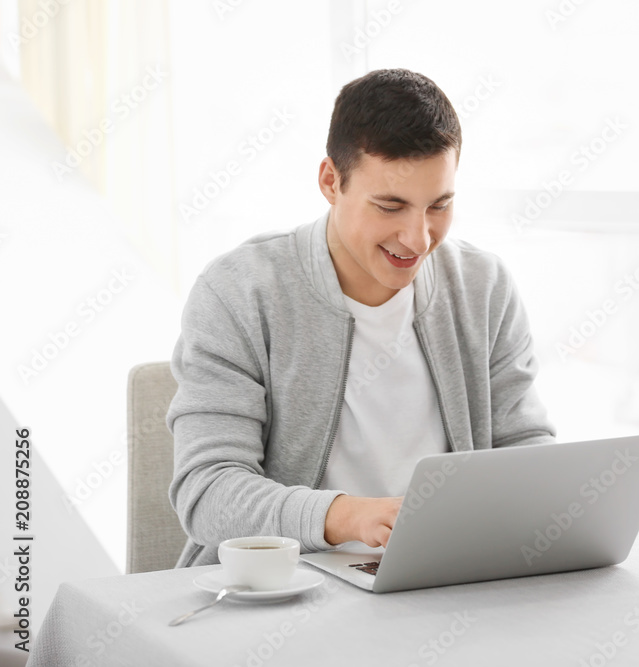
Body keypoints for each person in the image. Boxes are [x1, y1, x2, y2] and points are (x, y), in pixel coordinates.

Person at [166, 68, 555, 568]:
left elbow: (524, 448)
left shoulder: (484, 287)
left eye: (439, 205)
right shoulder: (238, 291)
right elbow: (209, 493)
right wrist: (349, 517)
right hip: (282, 589)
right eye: (390, 206)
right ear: (331, 181)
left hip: (447, 581)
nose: (418, 239)